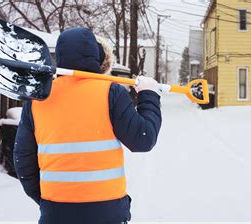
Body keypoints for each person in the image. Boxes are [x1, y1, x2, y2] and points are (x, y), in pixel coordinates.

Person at [13, 28, 162, 224]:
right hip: (107, 214)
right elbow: (143, 138)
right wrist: (149, 94)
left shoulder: (37, 99)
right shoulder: (111, 93)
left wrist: (48, 203)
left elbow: (23, 162)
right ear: (98, 57)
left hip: (56, 214)